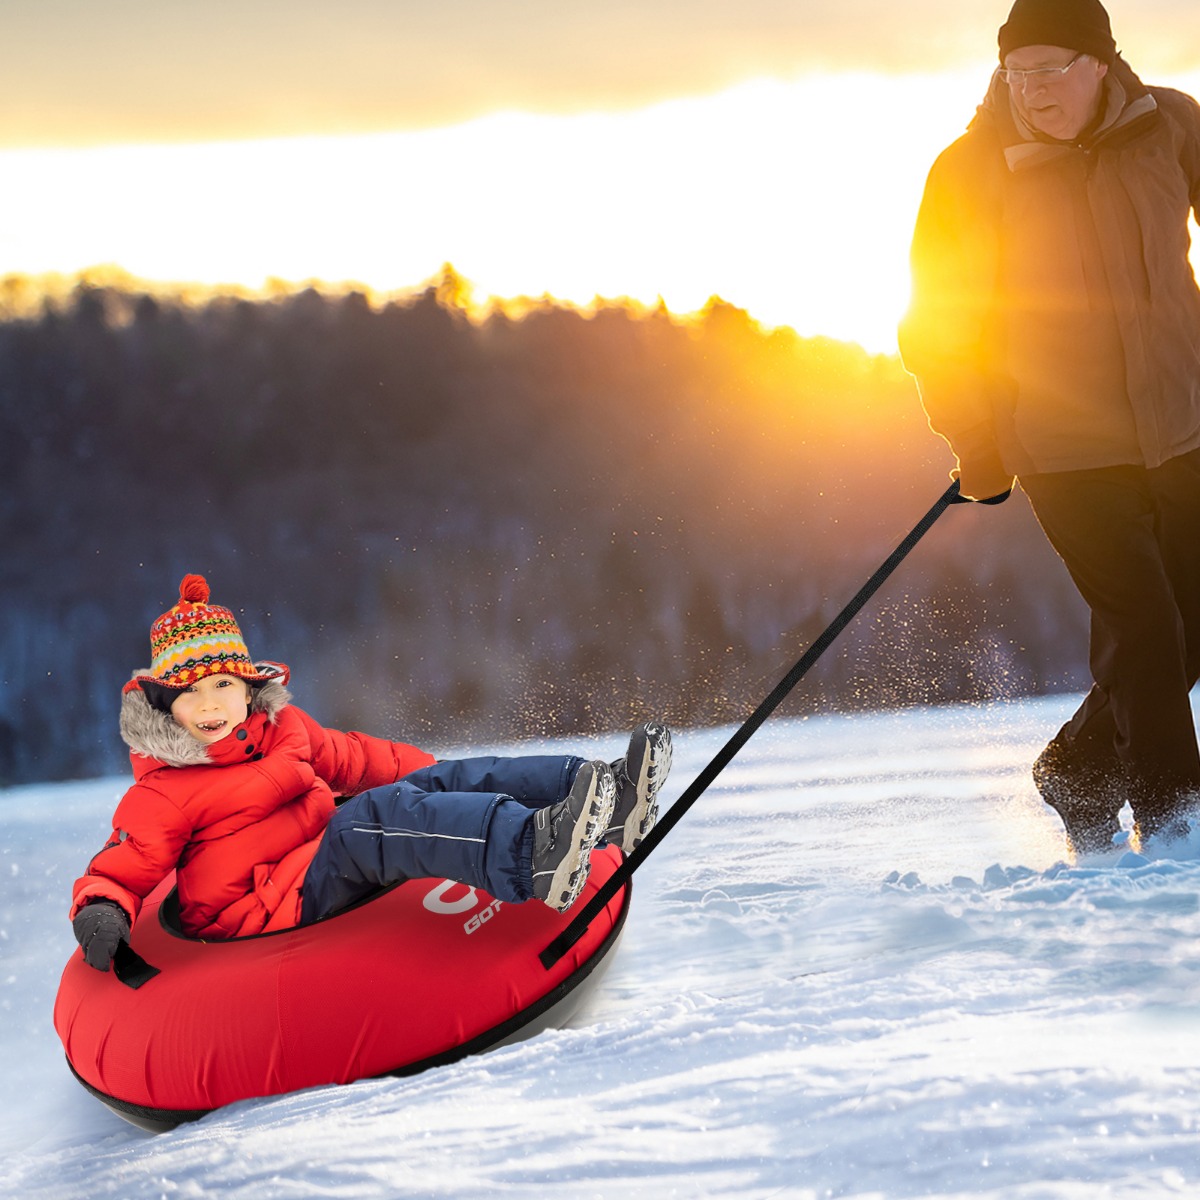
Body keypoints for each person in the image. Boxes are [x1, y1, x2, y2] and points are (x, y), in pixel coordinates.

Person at [899, 0, 1200, 854]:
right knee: (1145, 626)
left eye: (1051, 69)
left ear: (1101, 63)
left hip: (1183, 427)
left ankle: (1079, 768)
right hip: (1068, 449)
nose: (1031, 90)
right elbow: (936, 325)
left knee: (1190, 622)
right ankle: (1179, 822)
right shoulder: (970, 172)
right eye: (1015, 72)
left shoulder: (1173, 127)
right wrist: (978, 441)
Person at [71, 574, 672, 971]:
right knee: (365, 823)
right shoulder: (163, 792)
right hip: (265, 909)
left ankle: (607, 797)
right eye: (189, 693)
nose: (209, 705)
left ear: (248, 687)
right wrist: (101, 906)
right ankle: (530, 856)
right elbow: (124, 864)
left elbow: (360, 759)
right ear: (163, 707)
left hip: (313, 858)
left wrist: (440, 779)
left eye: (222, 685)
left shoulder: (287, 729)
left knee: (420, 786)